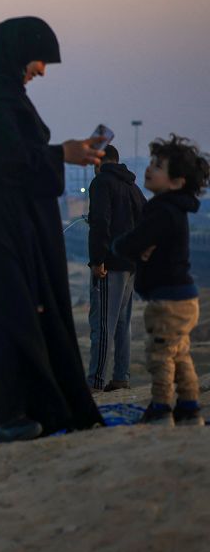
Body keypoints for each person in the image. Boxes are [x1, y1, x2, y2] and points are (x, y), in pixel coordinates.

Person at [0, 16, 104, 442]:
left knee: (15, 314)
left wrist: (57, 155)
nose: (41, 71)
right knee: (16, 317)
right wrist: (61, 155)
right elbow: (7, 160)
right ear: (15, 54)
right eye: (38, 60)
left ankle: (16, 414)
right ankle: (15, 415)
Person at [113, 134, 207, 427]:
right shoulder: (175, 211)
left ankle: (161, 408)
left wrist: (119, 247)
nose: (149, 169)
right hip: (184, 297)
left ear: (176, 182)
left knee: (160, 356)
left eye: (158, 166)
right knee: (180, 354)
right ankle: (190, 408)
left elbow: (134, 241)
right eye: (151, 162)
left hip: (167, 299)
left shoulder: (161, 211)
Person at [85, 144, 147, 392]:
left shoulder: (102, 183)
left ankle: (96, 381)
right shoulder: (132, 186)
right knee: (122, 323)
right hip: (130, 264)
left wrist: (97, 260)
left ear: (99, 162)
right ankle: (121, 377)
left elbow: (100, 222)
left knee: (102, 323)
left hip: (110, 264)